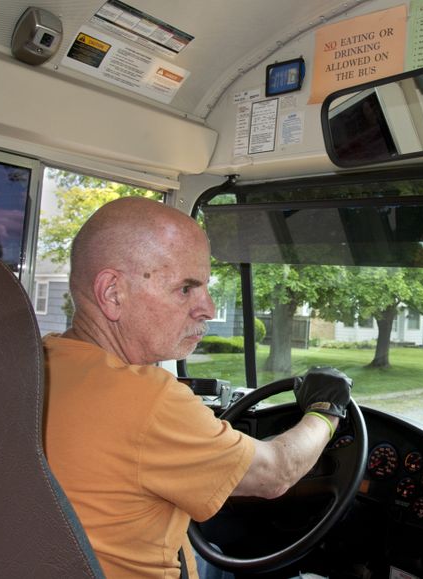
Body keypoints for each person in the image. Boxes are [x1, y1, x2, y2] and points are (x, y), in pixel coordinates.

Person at [43, 196, 352, 579]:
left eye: (205, 286)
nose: (206, 307)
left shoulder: (40, 363)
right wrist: (326, 411)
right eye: (186, 288)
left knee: (216, 554)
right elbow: (277, 472)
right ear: (112, 293)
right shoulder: (147, 399)